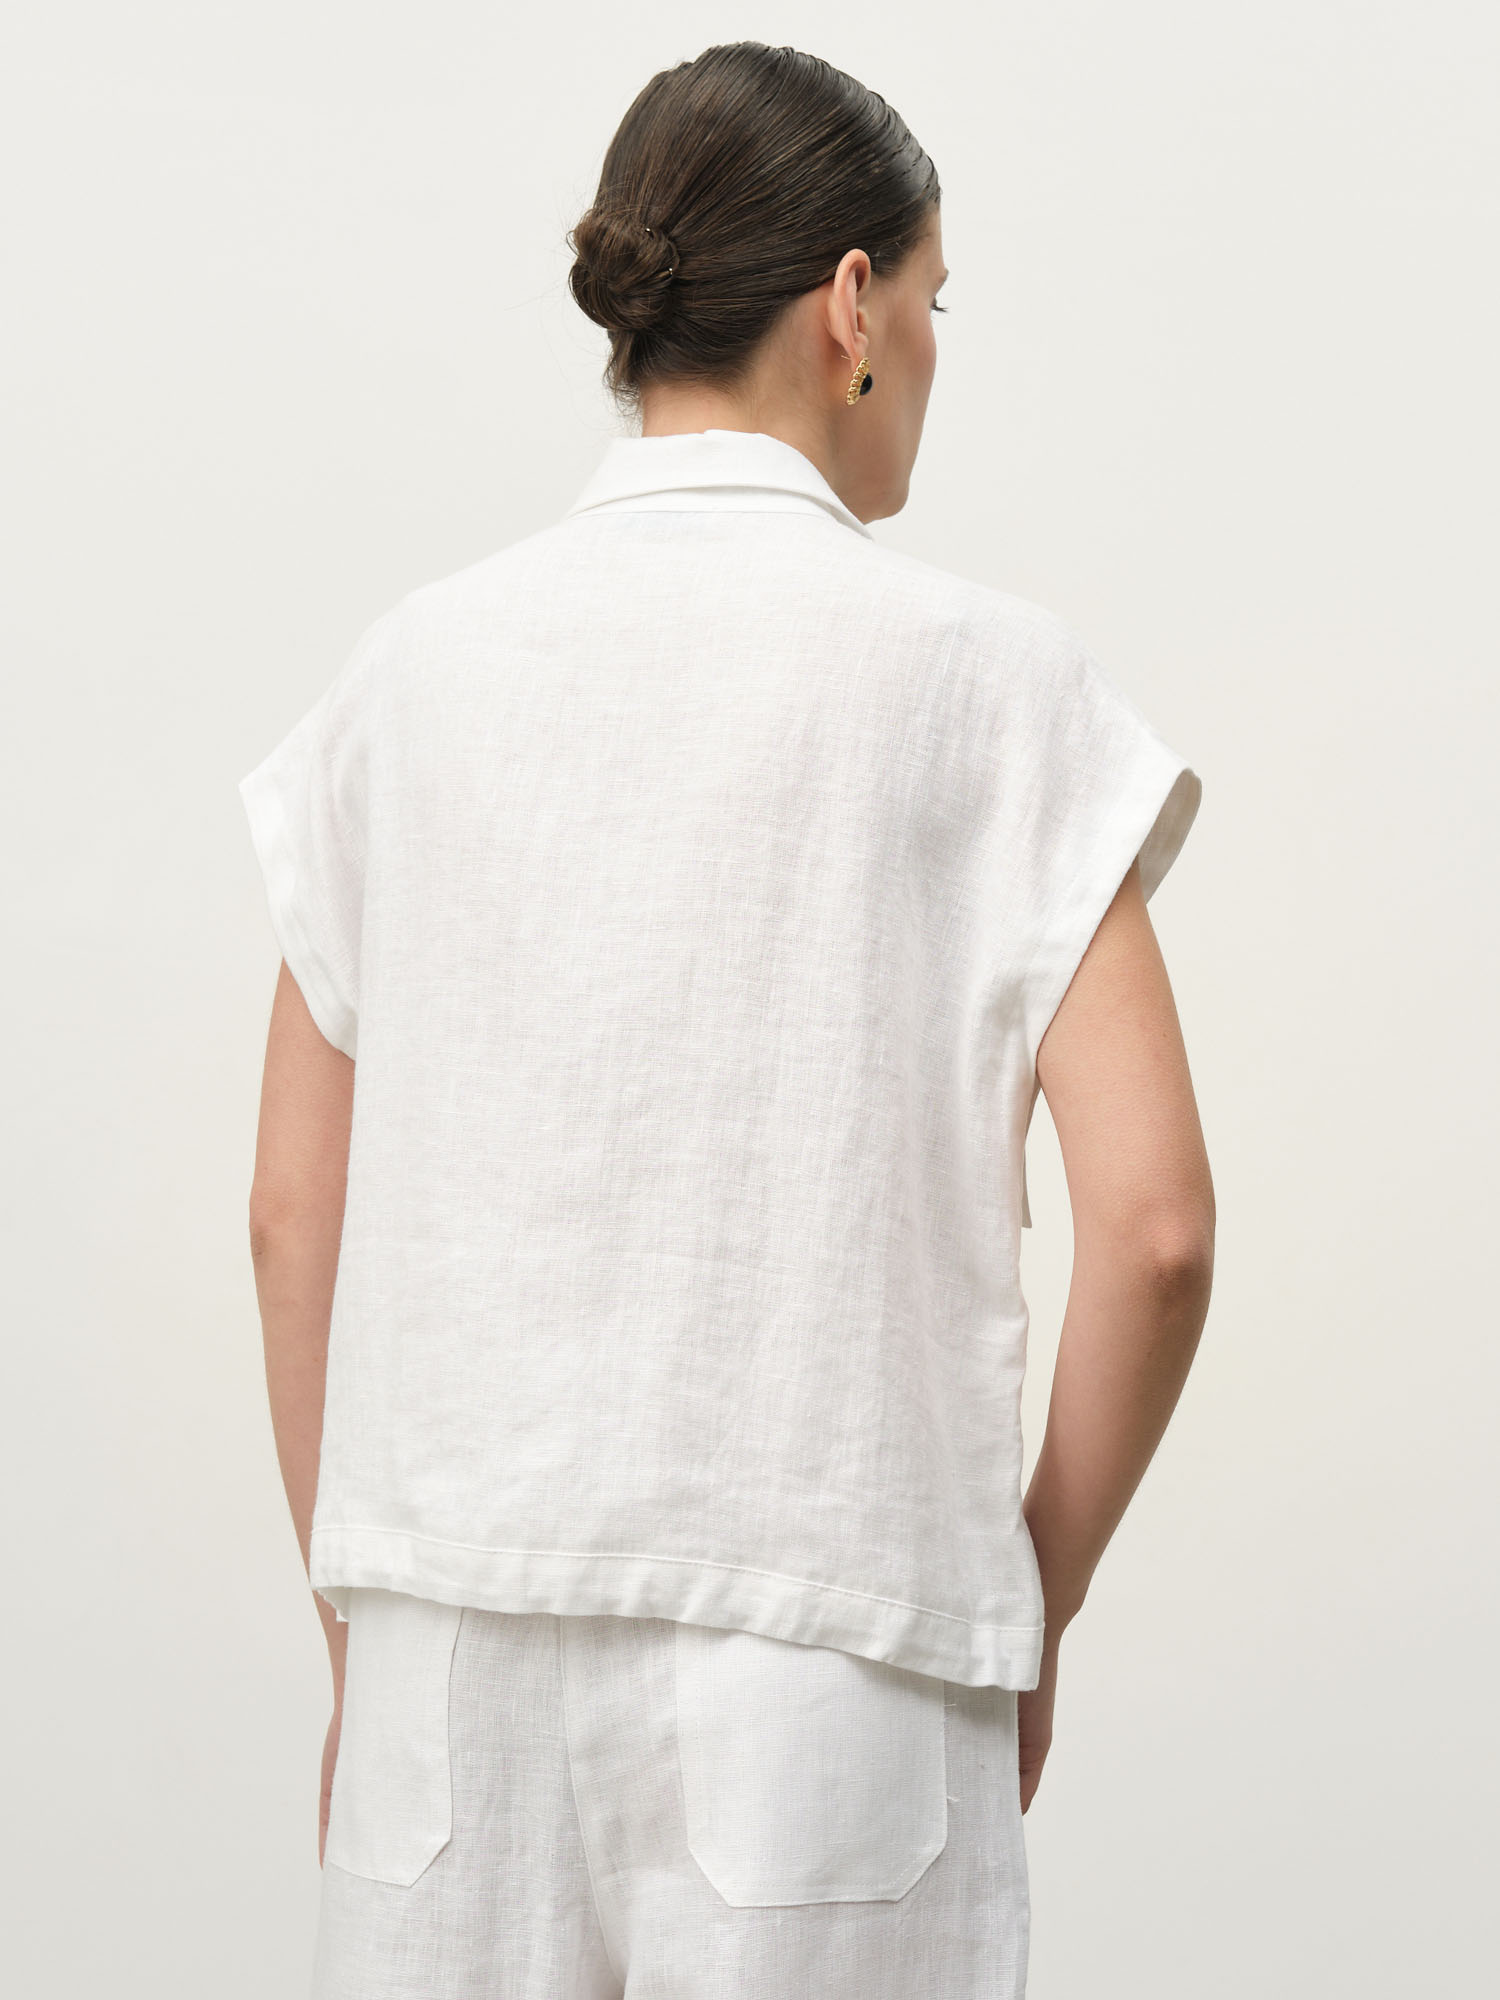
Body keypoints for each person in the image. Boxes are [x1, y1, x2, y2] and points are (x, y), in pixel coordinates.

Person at [240, 39, 1214, 2000]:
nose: (929, 350)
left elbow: (287, 1213)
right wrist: (1033, 1593)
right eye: (932, 301)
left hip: (447, 1654)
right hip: (837, 1655)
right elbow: (1159, 1226)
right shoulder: (991, 684)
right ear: (851, 304)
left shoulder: (408, 678)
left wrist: (370, 1630)